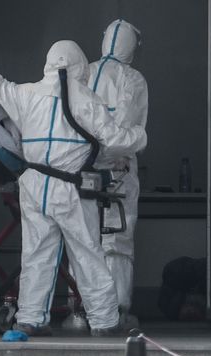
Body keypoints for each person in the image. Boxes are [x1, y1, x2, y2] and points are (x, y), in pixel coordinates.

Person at [0, 40, 147, 337]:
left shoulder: (26, 93)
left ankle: (30, 318)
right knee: (87, 254)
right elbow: (115, 140)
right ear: (79, 65)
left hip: (35, 185)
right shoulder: (87, 100)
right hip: (71, 187)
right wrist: (139, 136)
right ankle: (104, 322)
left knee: (36, 255)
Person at [88, 19, 149, 329]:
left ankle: (84, 309)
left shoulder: (83, 73)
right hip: (119, 170)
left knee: (84, 238)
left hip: (81, 170)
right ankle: (117, 310)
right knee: (117, 239)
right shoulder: (132, 79)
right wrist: (113, 158)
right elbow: (127, 125)